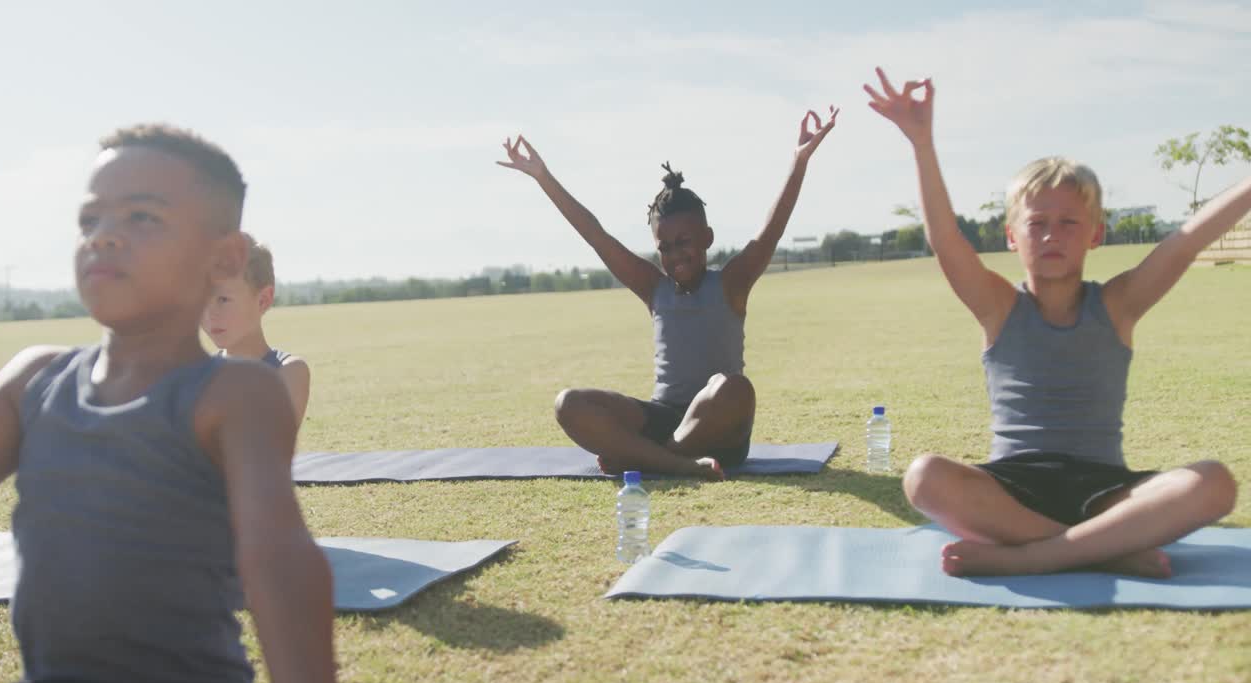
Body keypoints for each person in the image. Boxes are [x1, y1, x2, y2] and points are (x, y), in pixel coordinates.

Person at [0, 125, 343, 683]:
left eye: (142, 217)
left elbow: (281, 563)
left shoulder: (236, 392)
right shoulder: (34, 379)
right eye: (90, 219)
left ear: (223, 258)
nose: (105, 237)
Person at [866, 67, 1245, 577]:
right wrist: (921, 143)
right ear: (1010, 237)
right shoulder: (998, 307)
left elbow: (1186, 241)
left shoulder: (1117, 305)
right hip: (1012, 490)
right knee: (923, 477)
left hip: (1108, 491)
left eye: (1068, 223)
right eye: (1037, 224)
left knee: (1213, 483)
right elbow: (946, 240)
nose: (1051, 236)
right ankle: (1107, 551)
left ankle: (1040, 556)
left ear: (1095, 234)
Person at [498, 106, 838, 479]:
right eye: (665, 247)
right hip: (662, 416)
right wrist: (543, 177)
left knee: (733, 388)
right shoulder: (653, 288)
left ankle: (658, 457)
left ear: (707, 239)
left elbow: (771, 230)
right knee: (569, 404)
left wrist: (799, 161)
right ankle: (677, 464)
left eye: (684, 243)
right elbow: (595, 234)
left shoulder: (730, 284)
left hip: (719, 428)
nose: (675, 255)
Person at [201, 232, 311, 426]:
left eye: (223, 300)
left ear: (263, 300)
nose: (209, 314)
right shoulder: (197, 373)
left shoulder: (288, 372)